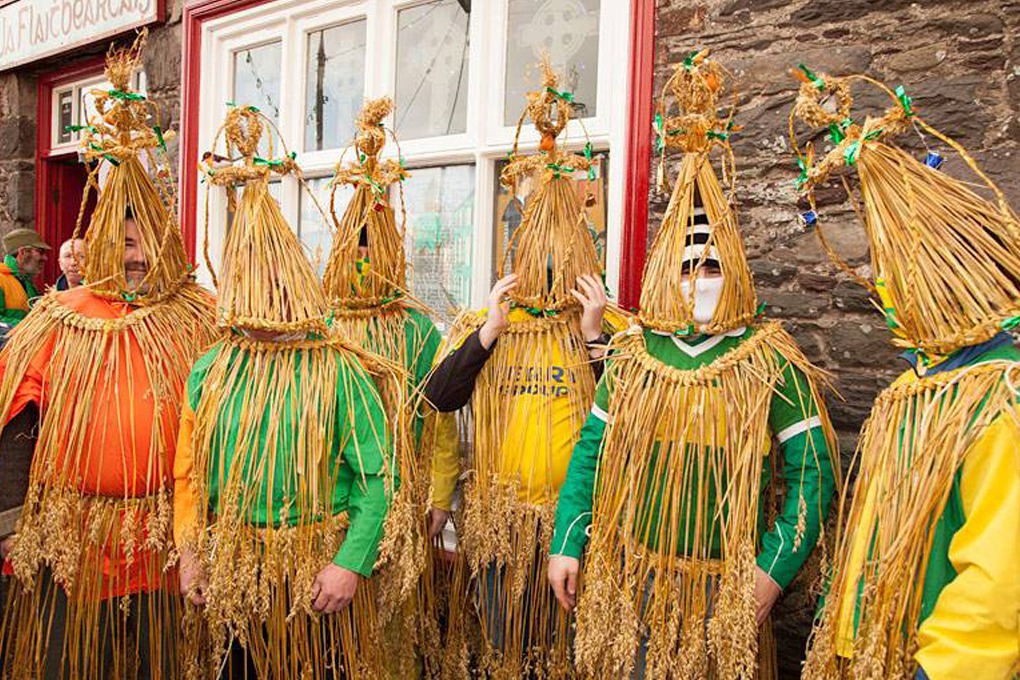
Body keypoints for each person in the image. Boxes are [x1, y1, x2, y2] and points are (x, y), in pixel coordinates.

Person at [547, 53, 839, 680]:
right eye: (687, 265)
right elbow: (590, 454)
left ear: (731, 267)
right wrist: (567, 543)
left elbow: (810, 479)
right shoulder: (632, 357)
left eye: (710, 265)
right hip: (629, 580)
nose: (699, 279)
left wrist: (768, 576)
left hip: (723, 590)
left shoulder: (769, 362)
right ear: (665, 271)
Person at [0, 33, 216, 680]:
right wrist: (9, 522)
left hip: (164, 545)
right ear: (98, 246)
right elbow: (14, 425)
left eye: (144, 242)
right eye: (122, 243)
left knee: (157, 665)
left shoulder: (196, 319)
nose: (135, 257)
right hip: (75, 540)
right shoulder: (56, 319)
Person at [791, 69, 1020, 680]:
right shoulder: (912, 388)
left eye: (895, 272)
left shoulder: (1000, 397)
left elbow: (999, 574)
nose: (882, 288)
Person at [174, 103, 392, 680]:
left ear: (293, 275)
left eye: (274, 277)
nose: (264, 292)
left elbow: (377, 475)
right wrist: (192, 553)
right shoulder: (210, 368)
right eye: (250, 277)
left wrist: (350, 563)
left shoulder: (339, 369)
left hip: (315, 573)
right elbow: (190, 476)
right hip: (234, 569)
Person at [424, 61, 621, 678]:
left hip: (572, 533)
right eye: (537, 251)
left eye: (561, 256)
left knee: (566, 660)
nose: (548, 264)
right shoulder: (488, 326)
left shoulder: (608, 331)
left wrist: (593, 337)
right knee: (503, 655)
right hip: (501, 533)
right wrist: (489, 330)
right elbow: (439, 398)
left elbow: (622, 424)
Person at [322, 97, 443, 676]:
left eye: (377, 244)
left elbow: (437, 415)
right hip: (330, 503)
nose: (366, 256)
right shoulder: (321, 326)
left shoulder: (417, 327)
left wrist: (439, 494)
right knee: (331, 634)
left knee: (388, 632)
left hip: (402, 498)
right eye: (357, 244)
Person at [0, 228, 49, 326]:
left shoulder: (26, 281)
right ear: (23, 252)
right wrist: (28, 327)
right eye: (41, 252)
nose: (45, 258)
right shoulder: (1, 280)